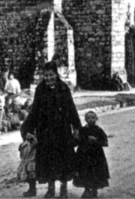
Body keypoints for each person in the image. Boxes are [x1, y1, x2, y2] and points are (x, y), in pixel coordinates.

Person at [21, 61, 82, 198]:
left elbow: (71, 109)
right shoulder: (40, 89)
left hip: (62, 131)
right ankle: (51, 189)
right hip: (45, 132)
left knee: (63, 160)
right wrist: (27, 129)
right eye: (46, 75)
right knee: (48, 161)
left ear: (56, 74)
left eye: (51, 75)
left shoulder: (64, 88)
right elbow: (34, 111)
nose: (48, 78)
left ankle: (64, 188)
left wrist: (77, 127)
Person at [73, 111, 110, 198]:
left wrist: (96, 140)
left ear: (96, 119)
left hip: (96, 156)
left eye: (93, 118)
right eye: (88, 118)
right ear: (85, 119)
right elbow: (77, 141)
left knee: (95, 172)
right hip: (83, 155)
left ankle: (94, 190)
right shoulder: (82, 130)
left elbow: (105, 142)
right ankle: (86, 190)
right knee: (84, 172)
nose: (90, 120)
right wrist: (75, 138)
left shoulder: (99, 130)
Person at [18, 132, 38, 197]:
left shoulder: (27, 144)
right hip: (29, 161)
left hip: (30, 162)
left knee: (31, 177)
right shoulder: (26, 144)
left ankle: (32, 190)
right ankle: (32, 189)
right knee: (30, 177)